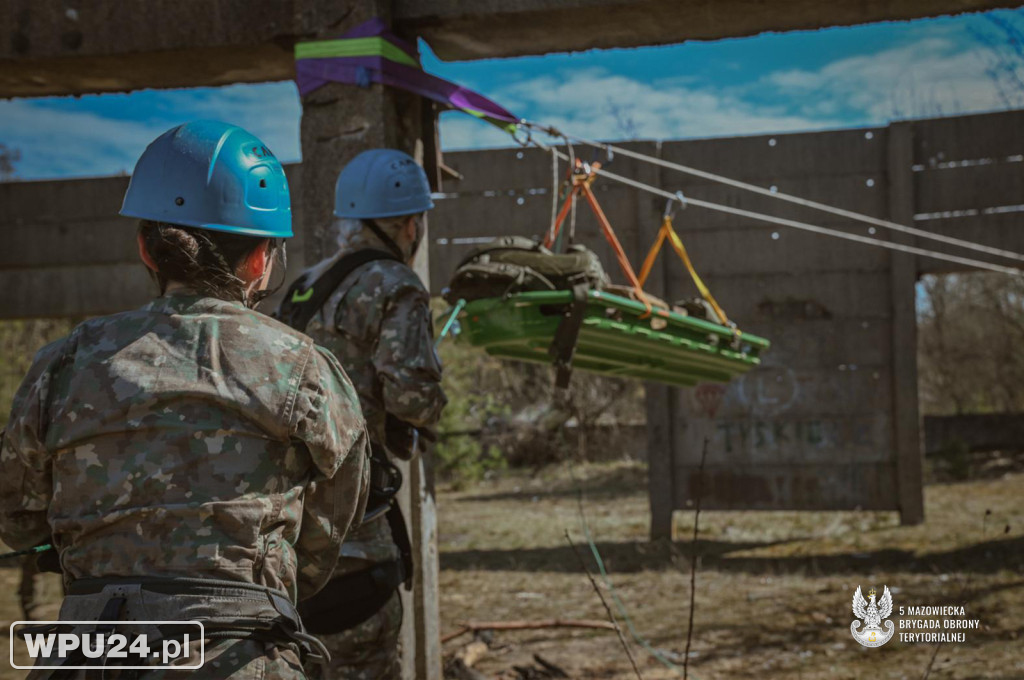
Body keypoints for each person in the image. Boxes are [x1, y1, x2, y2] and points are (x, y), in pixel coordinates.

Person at [0, 120, 370, 679]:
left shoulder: (64, 362)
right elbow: (333, 520)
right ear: (261, 261)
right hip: (235, 653)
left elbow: (19, 519)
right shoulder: (303, 366)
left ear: (148, 250)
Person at [277, 149, 448, 679]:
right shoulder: (397, 285)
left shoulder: (305, 284)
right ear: (407, 223)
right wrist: (428, 410)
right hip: (358, 534)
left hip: (291, 538)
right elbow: (411, 397)